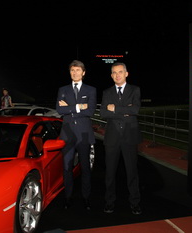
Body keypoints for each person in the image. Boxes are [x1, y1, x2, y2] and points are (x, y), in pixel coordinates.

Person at [100, 62, 142, 215]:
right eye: (114, 72)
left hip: (130, 137)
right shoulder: (107, 92)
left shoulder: (135, 90)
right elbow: (103, 113)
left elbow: (135, 109)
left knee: (132, 173)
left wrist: (115, 108)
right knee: (110, 173)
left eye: (120, 72)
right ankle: (109, 202)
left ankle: (135, 203)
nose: (117, 75)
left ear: (126, 73)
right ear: (111, 75)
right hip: (112, 138)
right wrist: (125, 111)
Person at [56, 60, 97, 210]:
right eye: (72, 70)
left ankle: (86, 198)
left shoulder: (91, 90)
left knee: (85, 168)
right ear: (70, 72)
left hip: (84, 134)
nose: (75, 73)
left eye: (78, 70)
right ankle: (68, 197)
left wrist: (70, 108)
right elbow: (60, 110)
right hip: (67, 135)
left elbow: (91, 111)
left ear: (83, 72)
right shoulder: (63, 89)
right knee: (67, 168)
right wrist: (80, 106)